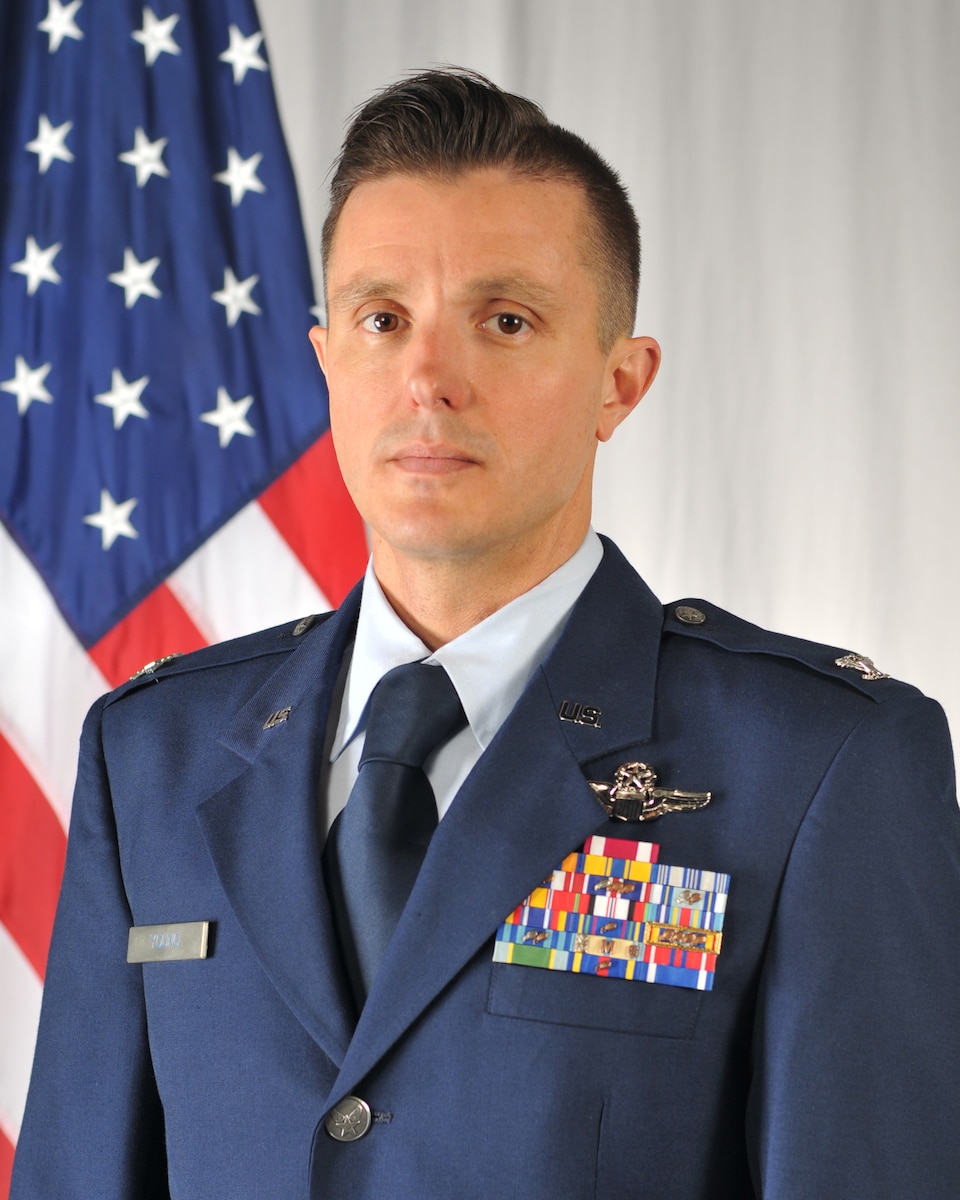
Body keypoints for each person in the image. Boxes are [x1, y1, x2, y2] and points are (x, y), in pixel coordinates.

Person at [12, 68, 960, 1200]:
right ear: (327, 365)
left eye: (505, 321)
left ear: (620, 381)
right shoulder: (153, 755)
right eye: (382, 319)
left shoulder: (819, 767)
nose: (428, 379)